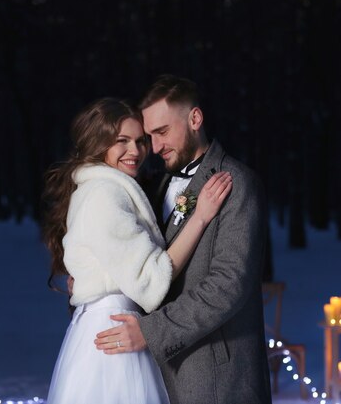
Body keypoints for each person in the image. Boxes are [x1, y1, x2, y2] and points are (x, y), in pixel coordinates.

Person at [94, 75, 272, 404]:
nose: (155, 147)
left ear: (195, 118)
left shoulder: (238, 183)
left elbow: (228, 285)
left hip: (218, 377)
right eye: (150, 136)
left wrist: (151, 333)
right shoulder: (156, 187)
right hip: (161, 376)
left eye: (162, 132)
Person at [42, 97, 232, 404]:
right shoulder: (104, 194)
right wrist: (201, 217)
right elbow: (152, 278)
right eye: (122, 141)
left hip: (108, 327)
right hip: (115, 334)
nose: (136, 151)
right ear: (97, 143)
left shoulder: (105, 188)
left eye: (140, 141)